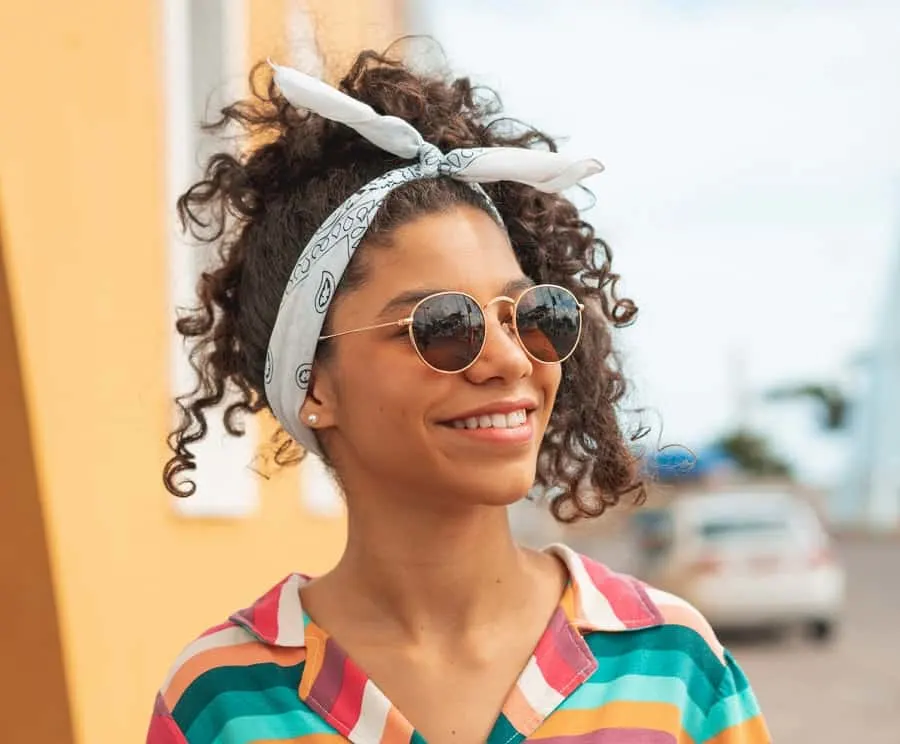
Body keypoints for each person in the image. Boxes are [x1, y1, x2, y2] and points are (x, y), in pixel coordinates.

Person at [148, 44, 771, 744]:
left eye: (534, 315)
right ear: (315, 382)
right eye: (445, 325)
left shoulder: (672, 666)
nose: (509, 360)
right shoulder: (219, 701)